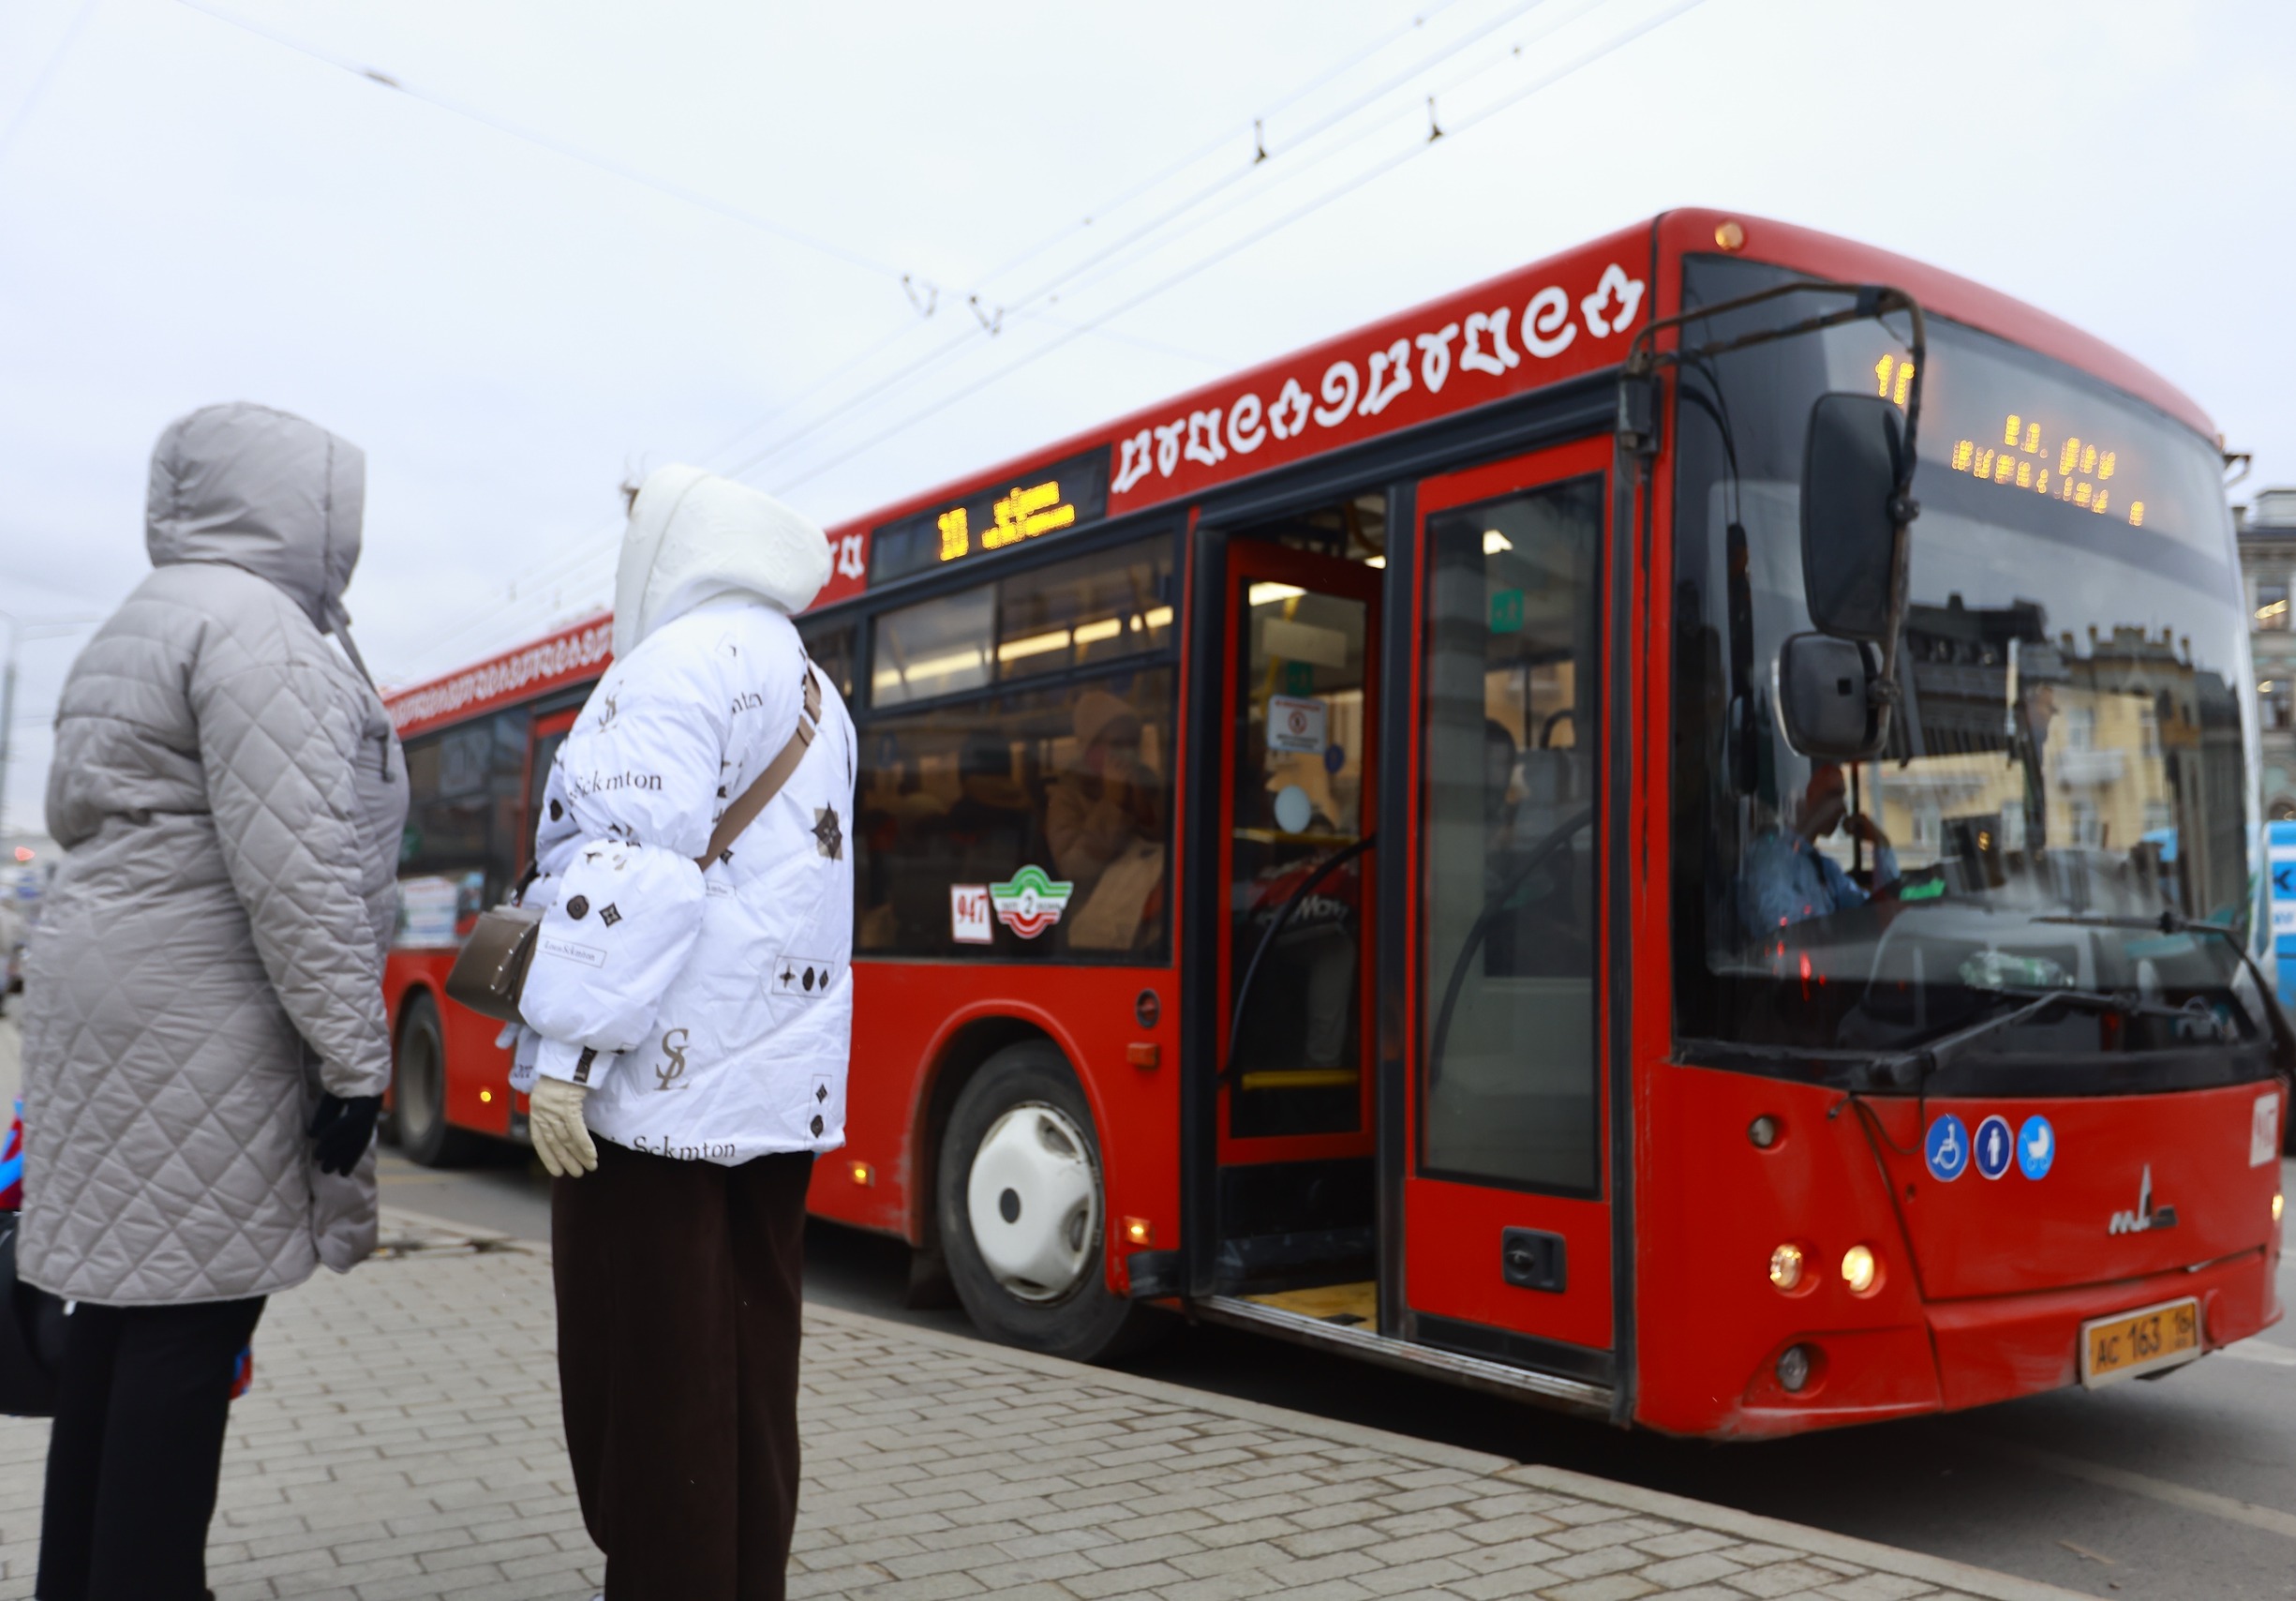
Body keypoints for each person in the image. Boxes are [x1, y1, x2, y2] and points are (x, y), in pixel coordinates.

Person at [18, 402, 406, 1601]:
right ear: (304, 509)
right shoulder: (262, 633)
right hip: (204, 1020)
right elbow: (299, 871)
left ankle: (81, 1577)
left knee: (119, 1323)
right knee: (187, 1340)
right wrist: (354, 1063)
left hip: (106, 1001)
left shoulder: (138, 621)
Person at [510, 464, 856, 1601]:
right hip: (774, 1095)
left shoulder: (668, 668)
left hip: (654, 1100)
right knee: (754, 1375)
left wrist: (561, 1060)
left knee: (647, 1384)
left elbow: (627, 872)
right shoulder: (816, 690)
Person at [1740, 762, 1898, 936]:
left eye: (1842, 798)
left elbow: (1876, 912)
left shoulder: (1825, 868)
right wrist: (1813, 821)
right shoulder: (1769, 856)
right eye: (1832, 796)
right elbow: (1783, 927)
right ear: (1806, 794)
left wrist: (1881, 843)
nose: (1842, 808)